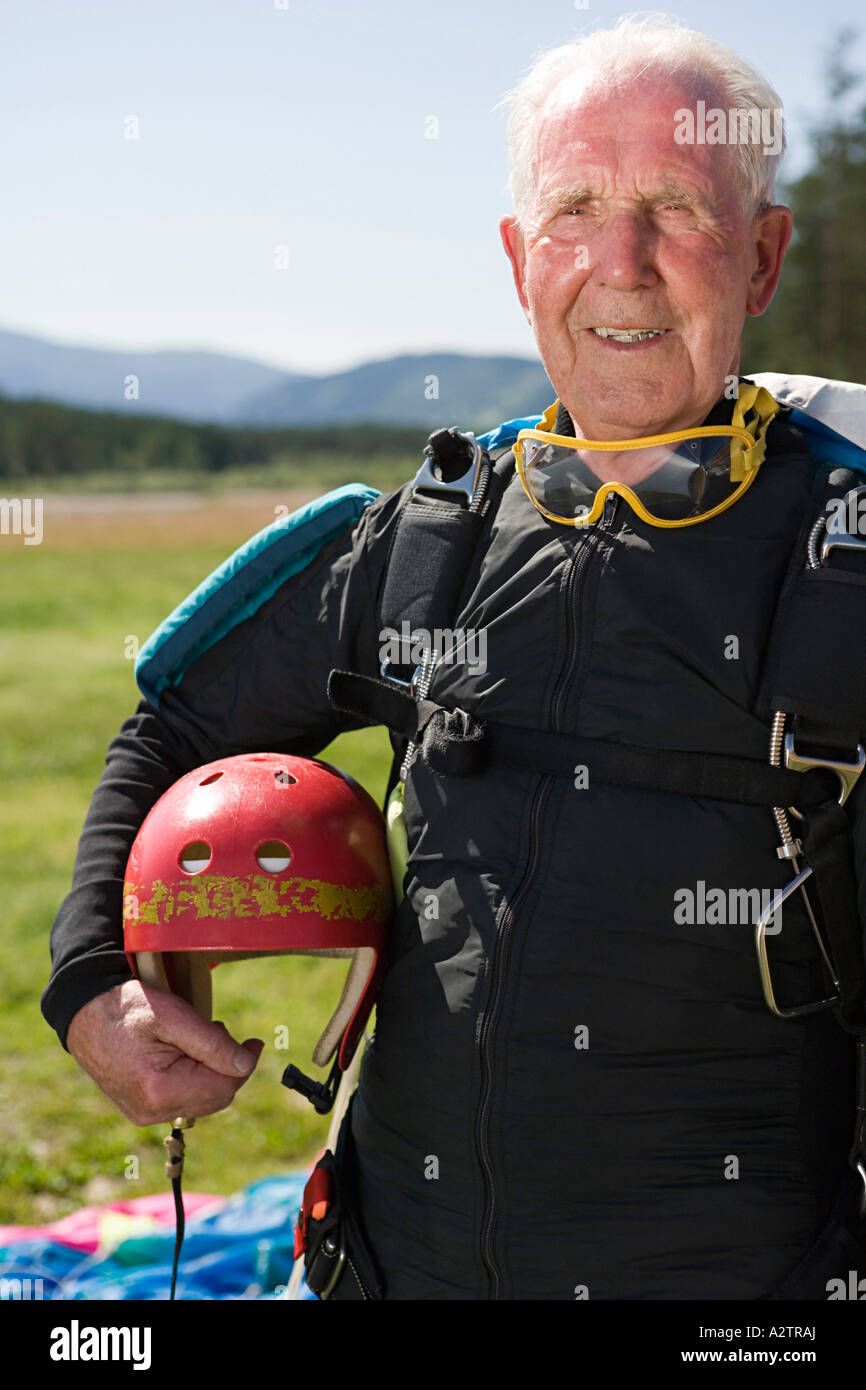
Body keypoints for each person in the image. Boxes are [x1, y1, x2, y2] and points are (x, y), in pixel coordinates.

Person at [42, 15, 866, 1299]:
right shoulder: (428, 535)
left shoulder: (844, 558)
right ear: (516, 259)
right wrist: (96, 982)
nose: (622, 264)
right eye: (575, 209)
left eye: (674, 208)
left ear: (760, 257)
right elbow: (176, 731)